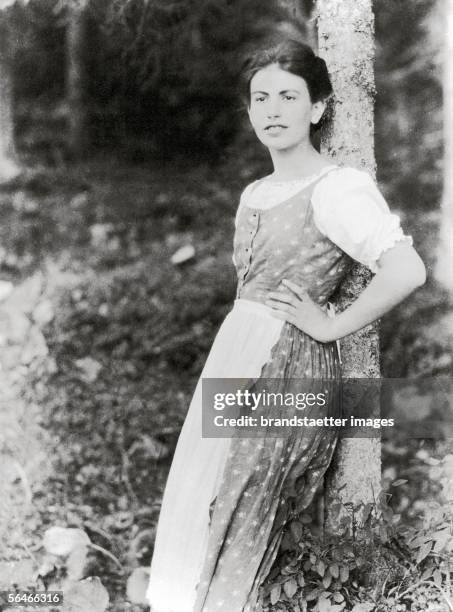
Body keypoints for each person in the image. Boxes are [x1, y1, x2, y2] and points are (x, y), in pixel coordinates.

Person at [146, 35, 426, 612]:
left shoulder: (338, 187)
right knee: (207, 499)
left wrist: (334, 325)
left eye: (289, 96)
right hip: (240, 351)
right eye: (261, 98)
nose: (272, 110)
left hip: (293, 362)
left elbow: (407, 269)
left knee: (242, 503)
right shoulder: (256, 191)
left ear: (318, 108)